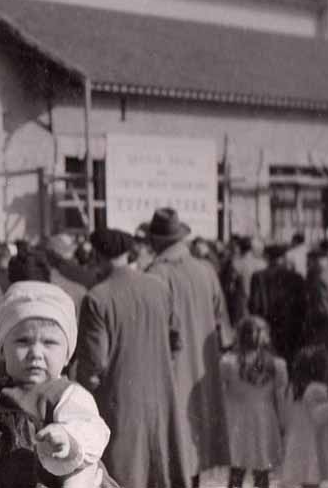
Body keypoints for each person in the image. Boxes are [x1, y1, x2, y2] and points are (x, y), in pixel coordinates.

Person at [0, 281, 113, 488]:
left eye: (49, 343)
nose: (36, 353)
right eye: (23, 341)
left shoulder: (66, 394)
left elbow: (92, 428)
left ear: (67, 356)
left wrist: (69, 440)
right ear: (3, 351)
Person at [76, 228, 190, 488]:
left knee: (123, 475)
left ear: (97, 256)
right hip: (161, 397)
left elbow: (95, 363)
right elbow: (177, 341)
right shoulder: (158, 287)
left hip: (119, 403)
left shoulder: (96, 298)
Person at [145, 208, 231, 487]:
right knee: (196, 438)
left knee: (175, 439)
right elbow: (222, 322)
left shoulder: (156, 274)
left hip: (171, 368)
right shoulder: (206, 270)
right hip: (202, 367)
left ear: (156, 241)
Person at [219, 316, 287, 488]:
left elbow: (220, 393)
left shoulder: (228, 363)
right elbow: (281, 399)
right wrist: (283, 423)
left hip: (237, 421)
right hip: (263, 420)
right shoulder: (277, 365)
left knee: (237, 470)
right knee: (261, 470)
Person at [281, 345, 328, 488]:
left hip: (298, 442)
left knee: (308, 480)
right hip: (314, 442)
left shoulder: (292, 388)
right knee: (312, 479)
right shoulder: (316, 389)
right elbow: (318, 415)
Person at [249, 244, 307, 363]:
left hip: (265, 327)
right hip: (290, 327)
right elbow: (303, 306)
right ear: (284, 258)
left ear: (267, 258)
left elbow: (254, 305)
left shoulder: (258, 276)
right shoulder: (296, 277)